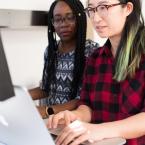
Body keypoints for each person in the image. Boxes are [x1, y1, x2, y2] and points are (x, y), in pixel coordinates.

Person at [47, 0, 145, 144]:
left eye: (103, 7)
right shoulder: (95, 57)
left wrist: (99, 130)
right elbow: (88, 106)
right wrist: (75, 116)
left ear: (128, 8)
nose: (96, 18)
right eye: (91, 10)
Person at [29, 0, 98, 119]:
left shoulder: (92, 51)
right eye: (57, 19)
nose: (63, 24)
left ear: (79, 19)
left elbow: (83, 98)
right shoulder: (50, 51)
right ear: (52, 23)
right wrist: (18, 96)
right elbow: (46, 88)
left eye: (70, 18)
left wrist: (47, 111)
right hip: (52, 122)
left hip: (75, 123)